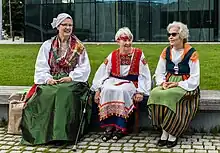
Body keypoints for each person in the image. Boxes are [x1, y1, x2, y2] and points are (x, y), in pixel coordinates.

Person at [20, 13, 91, 145]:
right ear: (58, 26)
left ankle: (62, 135)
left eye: (70, 25)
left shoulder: (79, 47)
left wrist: (70, 77)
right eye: (65, 25)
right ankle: (43, 134)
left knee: (63, 92)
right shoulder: (47, 45)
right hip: (52, 79)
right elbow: (41, 66)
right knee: (46, 93)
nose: (68, 28)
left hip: (73, 82)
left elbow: (84, 68)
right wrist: (48, 79)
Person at [91, 27, 151, 141]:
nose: (127, 43)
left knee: (122, 91)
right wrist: (98, 89)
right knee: (107, 90)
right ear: (118, 41)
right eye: (124, 40)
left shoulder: (138, 54)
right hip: (113, 80)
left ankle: (122, 127)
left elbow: (144, 74)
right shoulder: (113, 55)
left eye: (129, 39)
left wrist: (141, 91)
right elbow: (103, 72)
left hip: (131, 82)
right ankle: (109, 127)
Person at [147, 21, 200, 148]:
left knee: (171, 95)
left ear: (181, 36)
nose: (170, 37)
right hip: (168, 81)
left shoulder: (191, 52)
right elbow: (159, 72)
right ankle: (164, 129)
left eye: (174, 34)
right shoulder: (166, 51)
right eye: (169, 34)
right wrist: (162, 83)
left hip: (185, 84)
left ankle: (172, 133)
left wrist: (177, 84)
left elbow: (195, 78)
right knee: (155, 93)